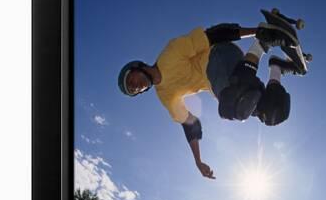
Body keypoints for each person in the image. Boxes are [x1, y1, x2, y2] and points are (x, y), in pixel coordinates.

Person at [118, 23, 299, 179]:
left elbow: (213, 34)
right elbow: (190, 124)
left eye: (131, 81)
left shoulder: (170, 54)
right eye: (134, 90)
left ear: (137, 67)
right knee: (270, 112)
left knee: (232, 104)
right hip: (223, 83)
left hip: (219, 54)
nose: (135, 86)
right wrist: (198, 161)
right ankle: (277, 68)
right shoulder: (164, 94)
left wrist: (258, 31)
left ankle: (263, 42)